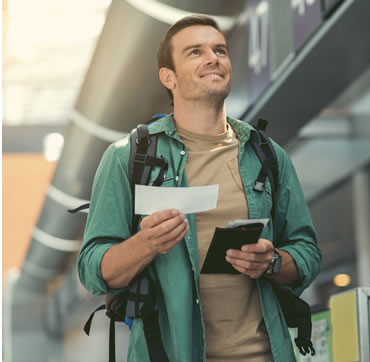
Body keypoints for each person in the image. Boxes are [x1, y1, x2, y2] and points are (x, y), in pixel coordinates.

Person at [77, 14, 322, 362]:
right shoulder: (128, 157)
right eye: (195, 52)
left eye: (220, 50)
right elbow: (92, 269)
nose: (213, 58)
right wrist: (145, 244)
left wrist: (272, 260)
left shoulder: (266, 154)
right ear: (169, 78)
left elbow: (308, 252)